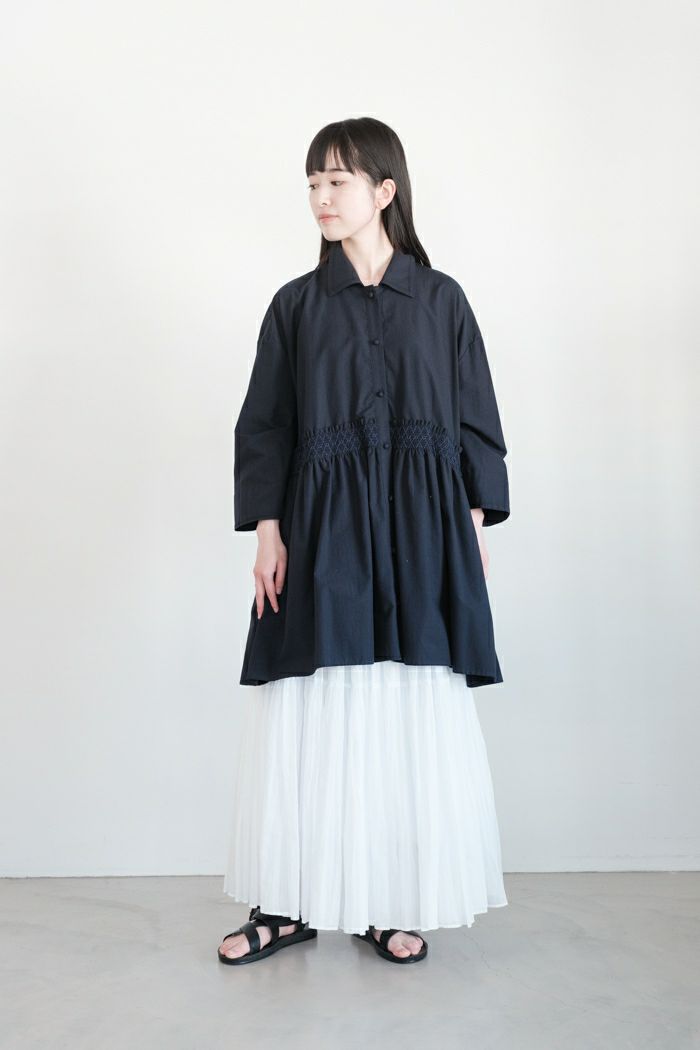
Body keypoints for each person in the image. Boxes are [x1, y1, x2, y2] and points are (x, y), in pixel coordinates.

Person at [218, 117, 511, 966]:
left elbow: (476, 422)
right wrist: (267, 530)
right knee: (312, 703)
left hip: (422, 533)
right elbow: (265, 425)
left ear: (384, 190)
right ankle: (288, 904)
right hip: (323, 530)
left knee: (399, 710)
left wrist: (470, 526)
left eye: (337, 180)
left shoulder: (442, 300)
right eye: (313, 181)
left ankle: (382, 901)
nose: (321, 196)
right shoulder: (297, 305)